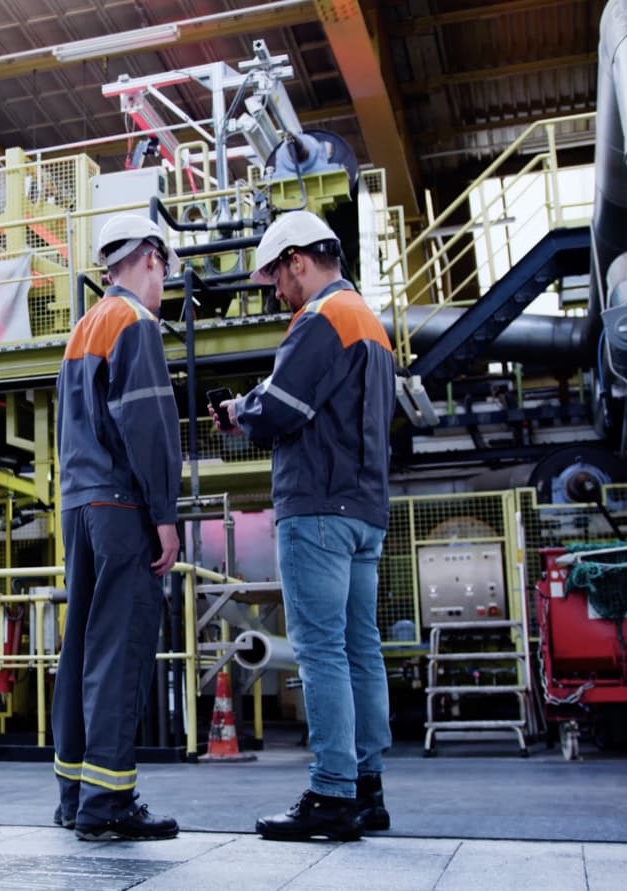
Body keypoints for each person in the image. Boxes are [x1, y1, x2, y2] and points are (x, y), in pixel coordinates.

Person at [210, 209, 396, 842]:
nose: (277, 294)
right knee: (359, 649)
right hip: (366, 511)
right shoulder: (371, 323)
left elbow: (282, 408)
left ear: (298, 261)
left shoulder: (319, 319)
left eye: (277, 280)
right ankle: (367, 787)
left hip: (317, 509)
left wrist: (241, 411)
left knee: (320, 652)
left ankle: (331, 794)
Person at [52, 213, 183, 842]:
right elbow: (149, 427)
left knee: (79, 648)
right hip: (121, 507)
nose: (164, 286)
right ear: (151, 258)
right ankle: (108, 805)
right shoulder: (135, 323)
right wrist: (165, 515)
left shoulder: (83, 328)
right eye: (166, 273)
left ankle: (75, 795)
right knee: (119, 647)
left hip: (77, 504)